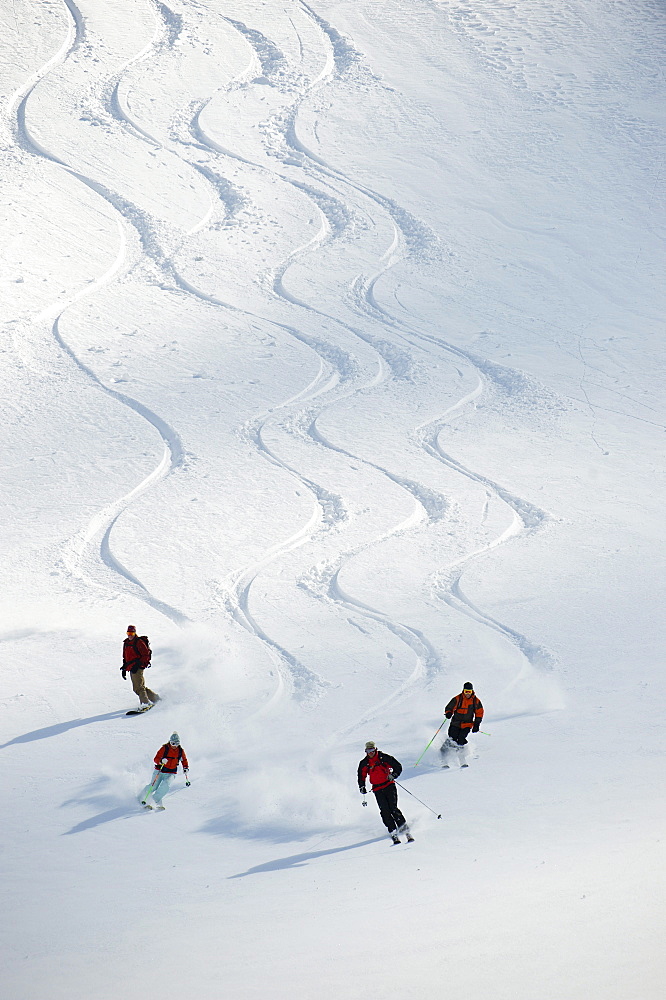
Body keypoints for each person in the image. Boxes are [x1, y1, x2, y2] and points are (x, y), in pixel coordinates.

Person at [357, 741, 413, 844]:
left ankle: (405, 829)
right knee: (385, 810)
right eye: (368, 751)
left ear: (375, 749)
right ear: (365, 751)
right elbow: (361, 776)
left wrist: (394, 775)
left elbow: (398, 766)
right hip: (377, 789)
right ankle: (392, 831)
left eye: (372, 750)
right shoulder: (365, 763)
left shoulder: (384, 758)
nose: (371, 753)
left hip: (389, 785)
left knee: (393, 808)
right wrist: (362, 786)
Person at [140, 733, 189, 810]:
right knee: (154, 786)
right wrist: (161, 761)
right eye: (173, 743)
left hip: (171, 772)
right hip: (160, 770)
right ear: (170, 742)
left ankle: (156, 798)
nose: (174, 745)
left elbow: (184, 760)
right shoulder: (164, 748)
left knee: (166, 786)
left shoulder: (180, 751)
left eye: (177, 743)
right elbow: (156, 759)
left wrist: (185, 768)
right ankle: (142, 797)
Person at [121, 625, 158, 709]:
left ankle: (145, 704)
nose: (129, 635)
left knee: (138, 688)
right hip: (131, 667)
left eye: (131, 633)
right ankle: (156, 698)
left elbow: (146, 655)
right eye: (128, 633)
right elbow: (125, 657)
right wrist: (124, 668)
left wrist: (138, 665)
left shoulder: (139, 642)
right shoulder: (126, 643)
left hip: (138, 667)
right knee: (140, 686)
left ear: (135, 633)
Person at [441, 681, 484, 749]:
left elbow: (479, 713)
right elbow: (449, 707)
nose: (467, 694)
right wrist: (448, 713)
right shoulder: (458, 699)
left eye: (469, 692)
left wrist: (476, 724)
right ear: (463, 691)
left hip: (467, 725)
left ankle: (460, 752)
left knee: (461, 738)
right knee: (452, 738)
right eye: (466, 691)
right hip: (455, 723)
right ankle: (444, 752)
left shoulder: (475, 701)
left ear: (472, 691)